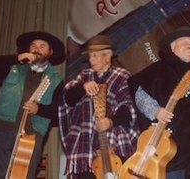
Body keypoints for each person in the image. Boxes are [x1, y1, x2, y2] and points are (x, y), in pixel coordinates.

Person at [128, 27, 190, 179]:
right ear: (172, 47)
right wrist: (155, 111)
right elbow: (140, 93)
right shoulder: (157, 71)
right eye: (186, 42)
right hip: (169, 149)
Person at [0, 31, 66, 179]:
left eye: (42, 46)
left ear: (50, 52)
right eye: (33, 45)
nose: (37, 49)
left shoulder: (57, 80)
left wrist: (39, 109)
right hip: (3, 129)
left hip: (32, 134)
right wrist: (17, 58)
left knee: (24, 175)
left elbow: (59, 112)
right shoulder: (12, 68)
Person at [58, 35, 141, 179]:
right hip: (83, 143)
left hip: (112, 141)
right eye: (90, 56)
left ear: (107, 56)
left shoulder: (121, 76)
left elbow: (128, 107)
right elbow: (68, 99)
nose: (91, 59)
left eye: (95, 55)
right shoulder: (84, 76)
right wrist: (83, 87)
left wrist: (111, 121)